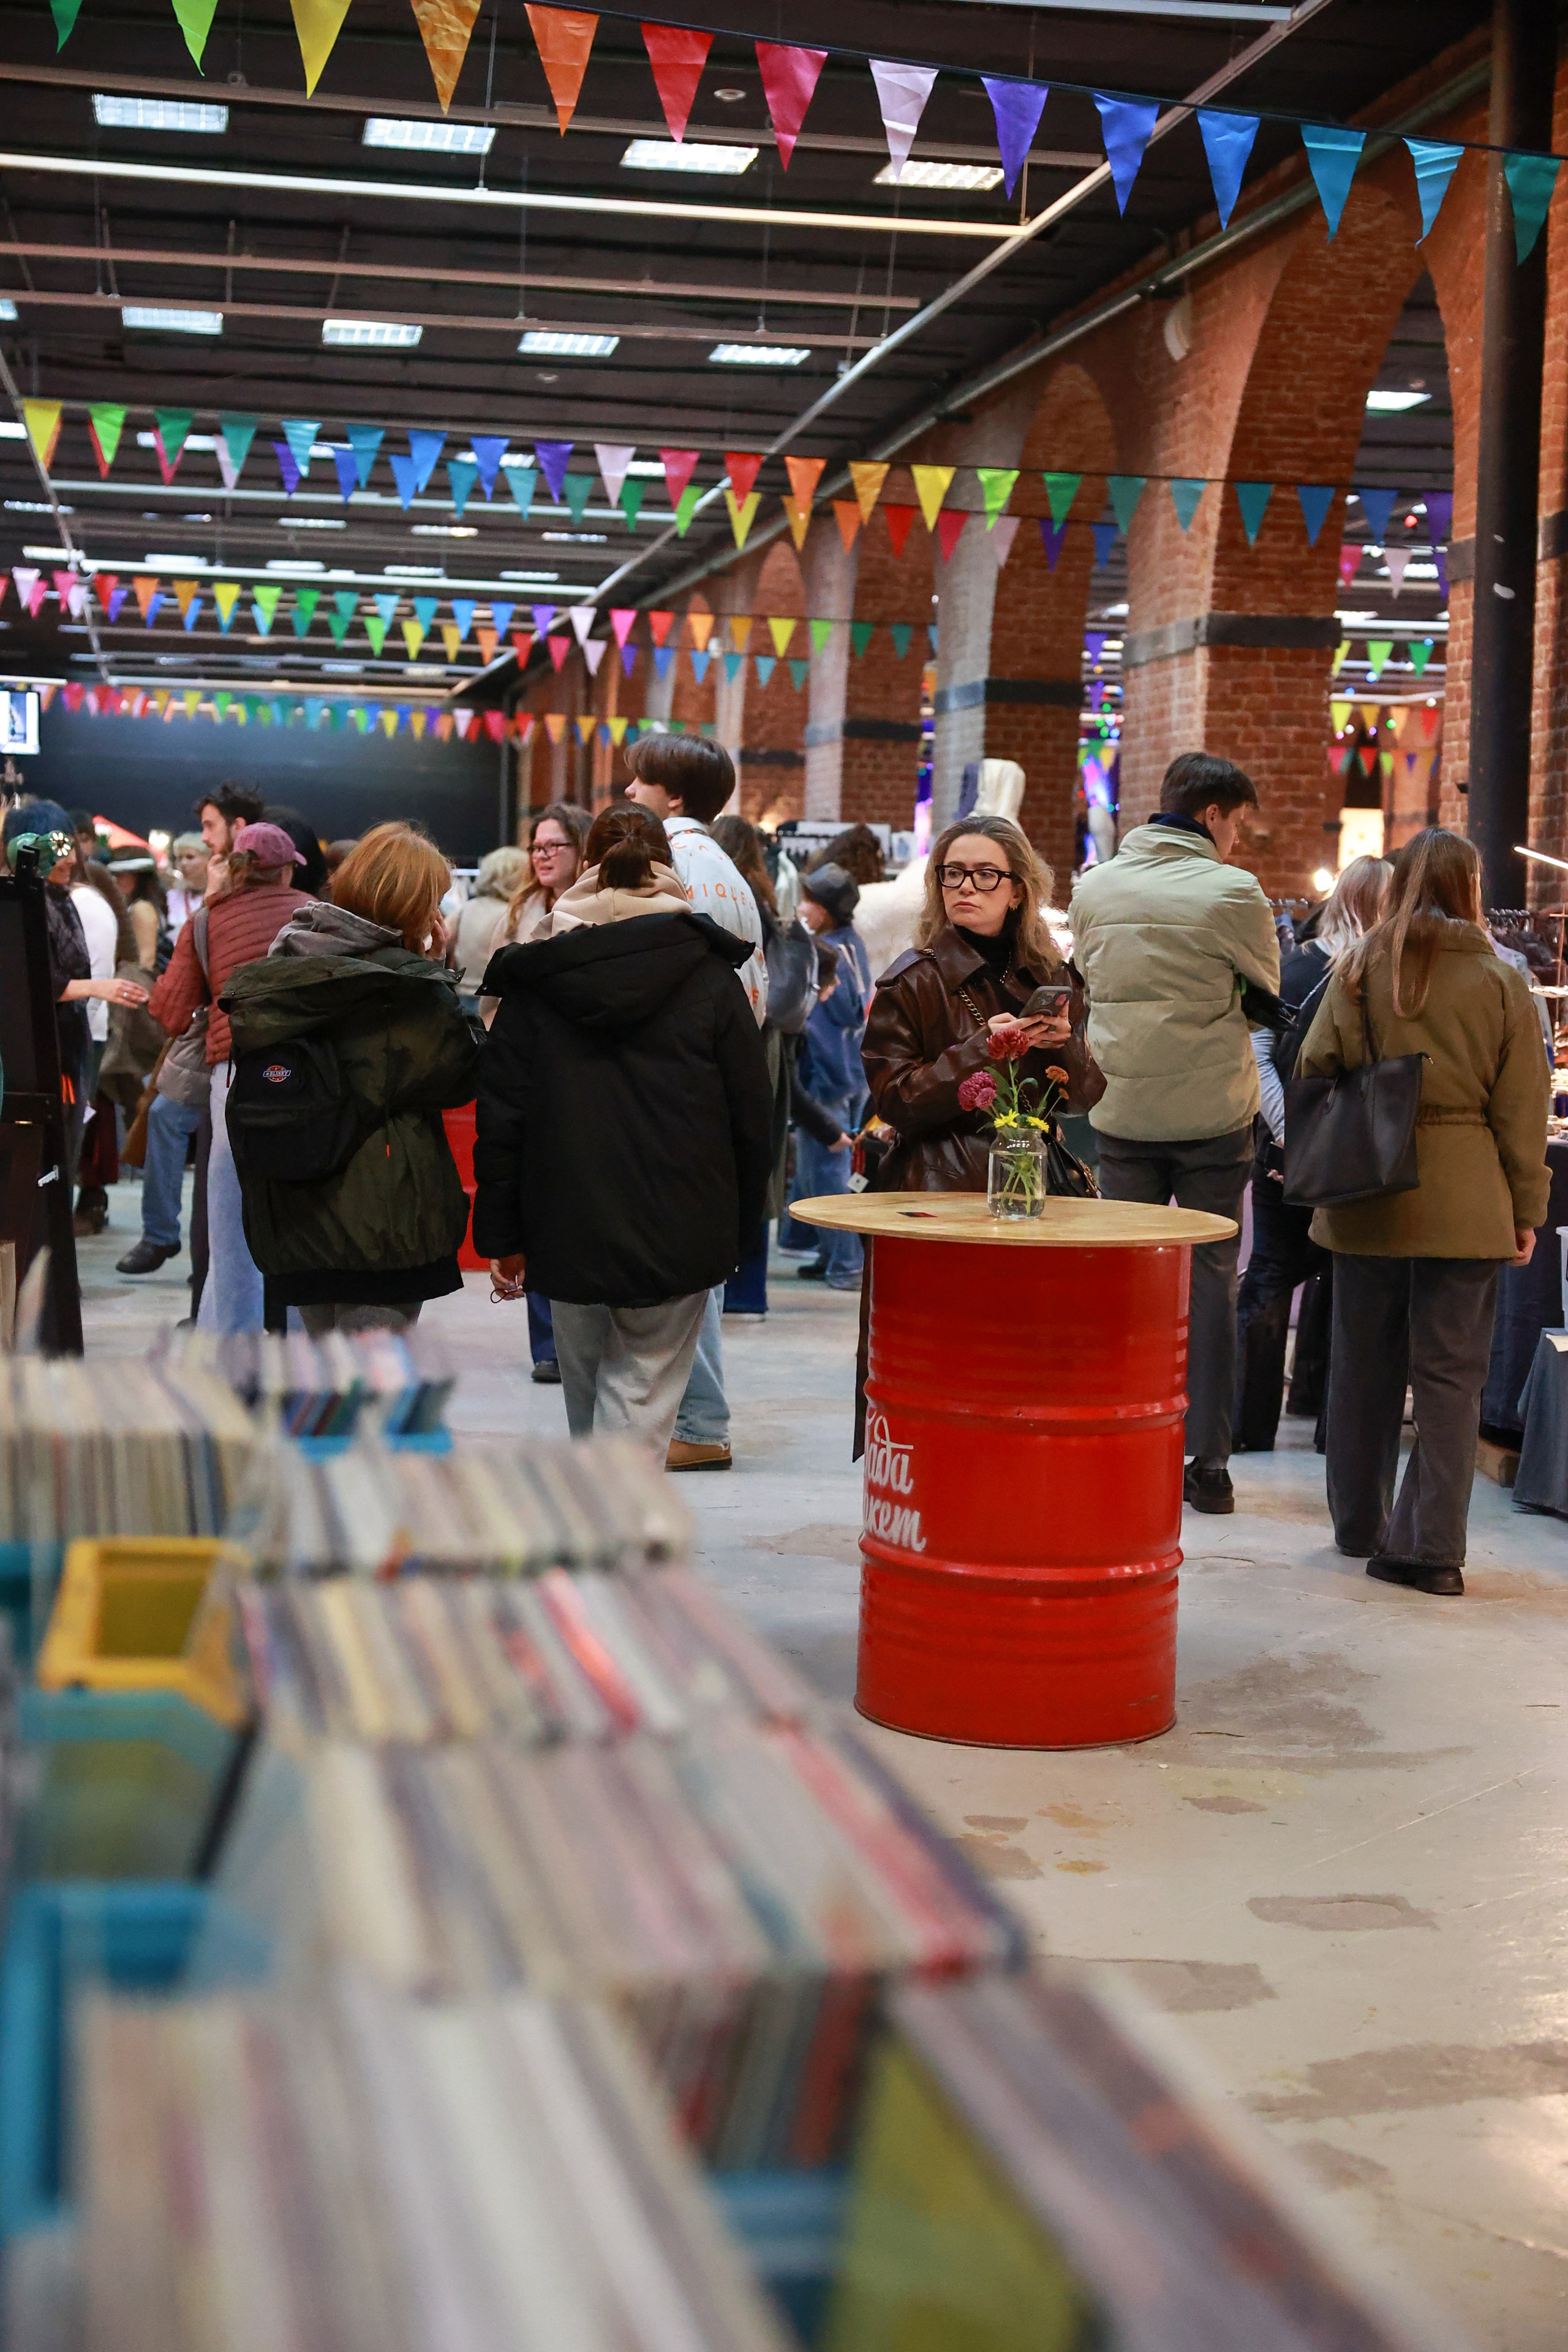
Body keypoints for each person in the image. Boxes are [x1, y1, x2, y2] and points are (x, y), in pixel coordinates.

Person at [476, 802, 772, 1461]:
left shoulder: (537, 978)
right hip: (683, 1222)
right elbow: (751, 1116)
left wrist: (502, 1232)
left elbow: (503, 1115)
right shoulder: (709, 979)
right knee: (638, 1399)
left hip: (564, 1219)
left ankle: (602, 1524)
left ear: (586, 867)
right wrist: (739, 1228)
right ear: (665, 868)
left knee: (587, 1396)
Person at [1298, 829, 1549, 1596]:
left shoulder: (1359, 966)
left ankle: (1356, 1526)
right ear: (1471, 887)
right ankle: (1434, 1551)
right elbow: (1522, 1109)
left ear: (1402, 882)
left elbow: (1313, 1065)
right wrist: (1525, 1207)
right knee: (1450, 1379)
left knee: (1361, 1365)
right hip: (1470, 1191)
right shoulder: (1503, 980)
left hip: (1370, 1188)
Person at [1070, 752, 1280, 1516]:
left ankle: (1118, 1435)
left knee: (1125, 1277)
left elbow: (1086, 979)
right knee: (1212, 1282)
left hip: (1120, 1109)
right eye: (1239, 826)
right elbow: (1266, 987)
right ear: (1215, 815)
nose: (1239, 843)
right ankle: (1208, 1463)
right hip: (1211, 1116)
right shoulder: (1233, 892)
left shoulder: (1093, 886)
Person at [219, 823, 479, 1335]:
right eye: (432, 901)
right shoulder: (405, 986)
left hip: (296, 1211)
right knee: (368, 1398)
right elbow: (459, 1073)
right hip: (380, 1222)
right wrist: (435, 969)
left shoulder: (288, 958)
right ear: (410, 903)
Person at [624, 736, 767, 1470]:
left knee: (684, 1270)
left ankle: (701, 1423)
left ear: (672, 796)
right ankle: (695, 1418)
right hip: (714, 1077)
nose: (627, 788)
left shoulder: (669, 864)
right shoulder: (727, 870)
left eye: (639, 779)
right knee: (694, 1262)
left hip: (680, 1081)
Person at [1235, 856, 1390, 1453]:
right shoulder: (1386, 974)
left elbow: (1257, 1052)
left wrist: (1284, 1131)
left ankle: (1250, 1424)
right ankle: (1337, 1427)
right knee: (1352, 1277)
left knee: (1273, 1271)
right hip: (1357, 1152)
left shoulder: (1293, 964)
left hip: (1285, 1151)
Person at [862, 814, 1098, 1193]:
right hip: (942, 1184)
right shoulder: (912, 980)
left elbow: (1081, 1101)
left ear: (1018, 891)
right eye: (953, 873)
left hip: (1037, 1183)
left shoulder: (1051, 976)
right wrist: (983, 1050)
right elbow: (895, 1103)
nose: (965, 887)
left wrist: (1064, 1046)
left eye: (986, 875)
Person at [149, 820, 312, 1333]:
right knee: (307, 1214)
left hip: (235, 1075)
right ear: (286, 869)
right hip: (310, 1076)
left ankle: (231, 1354)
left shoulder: (206, 920)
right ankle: (308, 1347)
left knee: (230, 1222)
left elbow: (170, 1012)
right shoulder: (315, 914)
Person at [1, 803, 148, 1184]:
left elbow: (68, 979)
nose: (70, 870)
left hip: (65, 1042)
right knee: (40, 1157)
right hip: (43, 1044)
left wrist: (95, 991)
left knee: (55, 1156)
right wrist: (97, 988)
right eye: (62, 864)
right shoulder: (32, 899)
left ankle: (45, 1233)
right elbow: (45, 979)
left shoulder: (71, 901)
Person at [791, 863, 872, 1290]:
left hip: (830, 1076)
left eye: (810, 899)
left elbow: (844, 1012)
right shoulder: (848, 944)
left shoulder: (833, 953)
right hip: (848, 1073)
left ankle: (845, 1264)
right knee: (824, 1171)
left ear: (824, 910)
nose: (803, 906)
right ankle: (830, 1257)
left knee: (829, 1174)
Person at [454, 846, 528, 1008]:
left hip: (462, 996)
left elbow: (444, 941)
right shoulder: (513, 915)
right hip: (493, 1001)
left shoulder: (466, 908)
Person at [195, 782, 266, 902]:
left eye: (210, 826)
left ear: (238, 826)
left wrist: (212, 896)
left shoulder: (256, 880)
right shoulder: (269, 871)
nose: (204, 837)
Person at [165, 834, 209, 933]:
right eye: (179, 858)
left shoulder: (218, 895)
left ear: (208, 859)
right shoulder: (172, 896)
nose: (183, 863)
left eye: (190, 857)